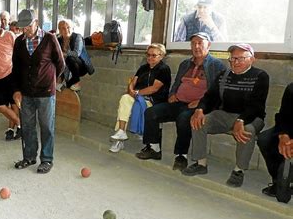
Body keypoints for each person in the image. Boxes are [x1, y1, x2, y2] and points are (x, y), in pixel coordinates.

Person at [136, 32, 226, 171]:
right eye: (193, 43)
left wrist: (200, 102)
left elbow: (217, 92)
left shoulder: (216, 65)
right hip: (179, 101)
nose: (196, 46)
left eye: (200, 43)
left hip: (199, 106)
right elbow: (177, 82)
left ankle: (181, 156)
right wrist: (172, 94)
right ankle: (154, 148)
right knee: (151, 112)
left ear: (208, 45)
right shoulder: (186, 64)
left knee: (183, 118)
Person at [184, 44, 269, 188]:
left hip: (252, 117)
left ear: (252, 59)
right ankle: (201, 163)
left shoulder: (260, 76)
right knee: (198, 121)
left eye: (240, 58)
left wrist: (241, 120)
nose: (235, 62)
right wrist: (200, 110)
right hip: (224, 114)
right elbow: (210, 97)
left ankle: (239, 170)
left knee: (247, 130)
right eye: (233, 59)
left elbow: (256, 105)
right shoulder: (223, 75)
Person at [12, 9, 65, 174]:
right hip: (26, 93)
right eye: (22, 27)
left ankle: (47, 160)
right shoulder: (19, 42)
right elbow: (16, 69)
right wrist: (16, 90)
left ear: (36, 22)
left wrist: (50, 81)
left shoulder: (50, 38)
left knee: (46, 127)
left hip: (46, 93)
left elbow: (60, 64)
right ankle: (29, 157)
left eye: (27, 26)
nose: (24, 30)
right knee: (27, 127)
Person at [109, 43, 171, 153]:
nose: (150, 57)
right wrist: (131, 90)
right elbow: (133, 82)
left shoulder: (164, 69)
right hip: (138, 96)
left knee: (134, 104)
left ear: (161, 56)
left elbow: (154, 88)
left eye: (154, 55)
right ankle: (121, 132)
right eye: (148, 55)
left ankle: (122, 139)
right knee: (125, 98)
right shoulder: (143, 68)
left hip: (153, 100)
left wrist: (137, 93)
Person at [257, 83, 292, 200]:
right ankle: (279, 181)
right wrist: (283, 134)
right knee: (265, 139)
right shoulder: (291, 88)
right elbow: (283, 115)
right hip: (289, 129)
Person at [56, 19, 94, 91]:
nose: (67, 30)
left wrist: (63, 54)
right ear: (60, 30)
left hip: (81, 65)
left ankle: (76, 82)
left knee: (70, 58)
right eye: (63, 28)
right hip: (67, 66)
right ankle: (66, 84)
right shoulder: (59, 40)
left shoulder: (77, 37)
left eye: (68, 27)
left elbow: (76, 53)